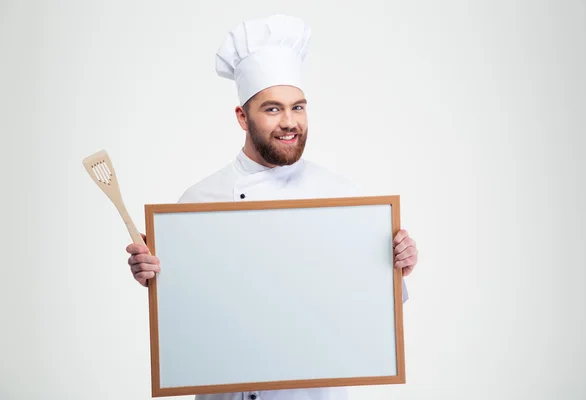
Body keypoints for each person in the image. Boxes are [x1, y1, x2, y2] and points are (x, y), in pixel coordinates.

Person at [126, 14, 419, 400]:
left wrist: (397, 264)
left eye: (298, 107)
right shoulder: (197, 203)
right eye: (272, 109)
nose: (289, 122)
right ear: (241, 118)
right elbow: (186, 318)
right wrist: (153, 277)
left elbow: (368, 314)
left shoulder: (343, 199)